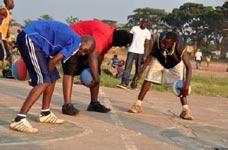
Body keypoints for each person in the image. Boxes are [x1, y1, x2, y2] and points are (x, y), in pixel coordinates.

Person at [9, 20, 96, 134]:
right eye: (86, 50)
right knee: (44, 81)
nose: (84, 54)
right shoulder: (76, 43)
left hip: (36, 42)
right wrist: (38, 77)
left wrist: (41, 74)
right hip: (30, 38)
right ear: (84, 41)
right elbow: (54, 61)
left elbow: (52, 61)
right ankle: (19, 119)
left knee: (53, 77)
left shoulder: (72, 39)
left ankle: (45, 113)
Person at [62, 19, 132, 115]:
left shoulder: (111, 37)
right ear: (118, 43)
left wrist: (95, 73)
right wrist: (95, 79)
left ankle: (94, 103)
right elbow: (92, 56)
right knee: (70, 70)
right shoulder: (103, 35)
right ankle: (67, 105)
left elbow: (100, 56)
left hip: (83, 44)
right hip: (70, 41)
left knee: (96, 70)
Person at [128, 31, 193, 120]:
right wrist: (139, 74)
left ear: (173, 43)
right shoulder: (158, 41)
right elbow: (149, 57)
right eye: (163, 42)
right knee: (148, 78)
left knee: (180, 85)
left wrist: (187, 84)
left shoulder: (180, 47)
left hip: (175, 63)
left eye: (166, 44)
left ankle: (185, 110)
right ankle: (137, 105)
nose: (163, 45)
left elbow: (189, 66)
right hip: (159, 59)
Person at [117, 18, 151, 89]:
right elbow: (130, 38)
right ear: (140, 22)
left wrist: (145, 56)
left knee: (138, 69)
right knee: (127, 67)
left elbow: (147, 45)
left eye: (145, 23)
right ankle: (124, 83)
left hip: (140, 52)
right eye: (142, 22)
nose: (143, 23)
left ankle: (134, 83)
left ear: (147, 24)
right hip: (132, 50)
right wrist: (127, 45)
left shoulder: (147, 32)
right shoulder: (134, 28)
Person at [0, 0, 14, 74]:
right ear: (6, 3)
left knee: (7, 55)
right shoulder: (3, 11)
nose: (13, 4)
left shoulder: (9, 14)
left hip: (3, 37)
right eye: (11, 2)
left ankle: (7, 70)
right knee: (5, 55)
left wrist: (9, 40)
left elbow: (6, 28)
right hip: (0, 35)